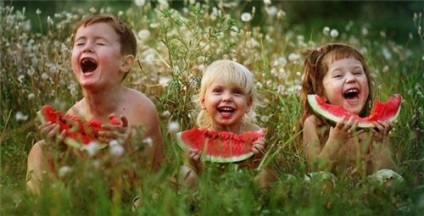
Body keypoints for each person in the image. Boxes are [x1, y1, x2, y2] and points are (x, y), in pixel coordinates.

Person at [26, 14, 164, 195]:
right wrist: (60, 149)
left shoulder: (140, 109)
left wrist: (128, 150)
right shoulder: (74, 113)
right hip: (90, 191)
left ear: (125, 63)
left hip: (137, 195)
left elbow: (146, 177)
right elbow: (78, 171)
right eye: (80, 43)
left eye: (99, 43)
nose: (87, 48)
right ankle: (42, 209)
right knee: (40, 150)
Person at [299, 43, 403, 186]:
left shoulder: (374, 128)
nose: (351, 78)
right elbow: (315, 168)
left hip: (367, 188)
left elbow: (389, 170)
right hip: (329, 185)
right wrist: (335, 140)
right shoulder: (313, 123)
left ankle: (381, 205)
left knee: (391, 182)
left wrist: (379, 144)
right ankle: (329, 207)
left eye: (357, 73)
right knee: (321, 182)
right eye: (338, 75)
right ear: (321, 92)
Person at [177, 59, 275, 189]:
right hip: (206, 195)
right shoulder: (196, 141)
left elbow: (268, 173)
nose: (227, 98)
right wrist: (193, 163)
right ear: (203, 101)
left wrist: (259, 159)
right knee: (185, 172)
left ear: (248, 104)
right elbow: (198, 175)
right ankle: (191, 206)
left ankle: (260, 206)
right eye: (218, 91)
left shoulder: (256, 136)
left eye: (237, 92)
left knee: (264, 175)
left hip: (244, 194)